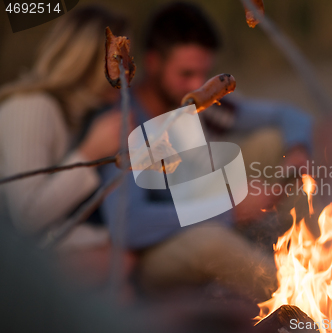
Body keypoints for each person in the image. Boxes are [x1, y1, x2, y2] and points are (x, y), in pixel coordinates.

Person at [99, 2, 313, 302]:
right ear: (153, 62)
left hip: (202, 205)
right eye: (186, 73)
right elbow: (130, 224)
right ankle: (307, 300)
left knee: (271, 142)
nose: (198, 84)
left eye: (204, 73)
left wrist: (298, 149)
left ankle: (321, 251)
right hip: (151, 251)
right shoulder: (126, 123)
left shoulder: (200, 105)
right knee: (213, 243)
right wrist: (229, 209)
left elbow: (289, 116)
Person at [0, 7, 127, 247]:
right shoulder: (32, 108)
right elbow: (26, 218)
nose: (128, 70)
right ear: (90, 62)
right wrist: (90, 153)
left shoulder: (77, 114)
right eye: (121, 59)